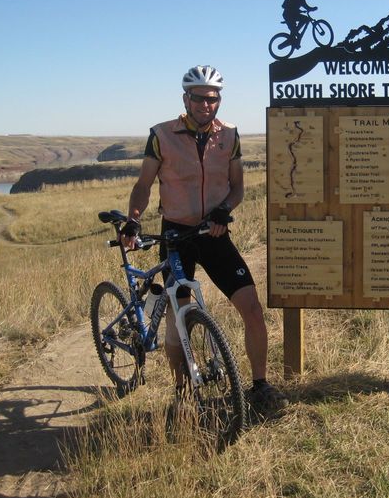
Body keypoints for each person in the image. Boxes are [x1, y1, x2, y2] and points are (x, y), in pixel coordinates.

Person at [121, 65, 288, 415]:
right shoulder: (162, 135)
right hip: (176, 237)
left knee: (254, 310)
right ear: (186, 99)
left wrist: (223, 210)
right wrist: (134, 221)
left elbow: (237, 185)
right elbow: (144, 185)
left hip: (213, 235)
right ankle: (182, 397)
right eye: (198, 98)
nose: (206, 105)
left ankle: (259, 385)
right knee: (178, 319)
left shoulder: (229, 135)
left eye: (212, 99)